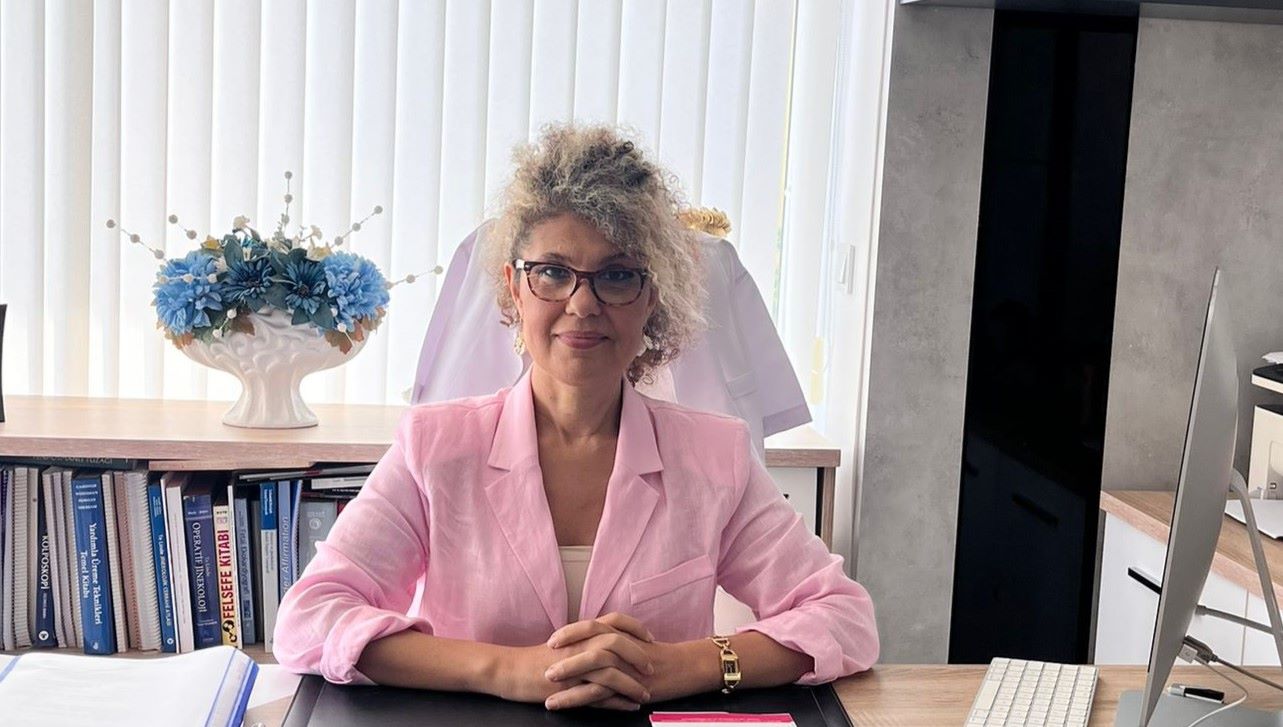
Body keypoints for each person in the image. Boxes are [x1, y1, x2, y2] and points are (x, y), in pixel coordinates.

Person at [273, 124, 879, 712]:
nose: (582, 304)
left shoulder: (714, 456)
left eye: (616, 276)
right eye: (553, 272)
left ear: (651, 298)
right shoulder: (434, 447)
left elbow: (844, 618)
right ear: (514, 289)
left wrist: (681, 665)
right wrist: (507, 670)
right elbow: (309, 618)